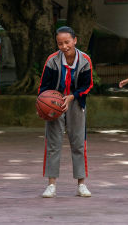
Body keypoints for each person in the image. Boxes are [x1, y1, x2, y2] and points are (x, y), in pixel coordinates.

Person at [39, 26, 94, 198]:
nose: (64, 46)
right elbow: (43, 86)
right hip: (54, 105)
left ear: (75, 40)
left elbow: (88, 85)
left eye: (67, 42)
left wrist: (72, 96)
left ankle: (81, 184)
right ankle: (51, 185)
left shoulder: (85, 60)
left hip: (76, 103)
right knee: (53, 144)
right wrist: (44, 104)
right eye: (60, 43)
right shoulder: (52, 60)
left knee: (78, 144)